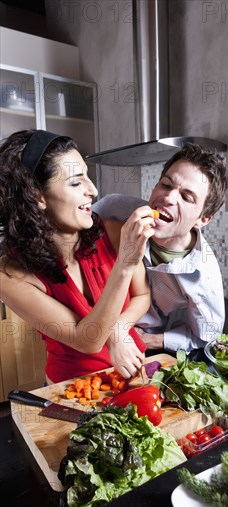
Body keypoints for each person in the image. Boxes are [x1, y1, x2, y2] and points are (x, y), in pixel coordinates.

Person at [0, 129, 157, 383]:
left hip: (135, 369)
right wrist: (125, 265)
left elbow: (142, 294)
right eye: (76, 182)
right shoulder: (10, 275)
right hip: (73, 389)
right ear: (38, 196)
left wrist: (118, 330)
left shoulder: (115, 232)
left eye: (87, 176)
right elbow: (88, 340)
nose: (93, 190)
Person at [93, 142, 228, 353]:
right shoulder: (114, 209)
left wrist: (150, 340)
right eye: (166, 185)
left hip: (137, 347)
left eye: (186, 197)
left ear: (203, 219)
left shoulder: (203, 276)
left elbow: (206, 338)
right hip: (87, 326)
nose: (168, 197)